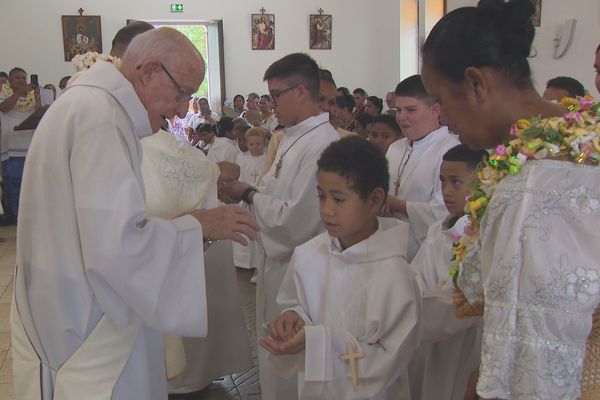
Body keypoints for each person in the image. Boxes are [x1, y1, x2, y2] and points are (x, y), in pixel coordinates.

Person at [11, 27, 259, 400]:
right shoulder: (101, 119)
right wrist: (200, 226)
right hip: (93, 333)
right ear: (148, 71)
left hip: (66, 312)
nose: (181, 109)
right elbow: (119, 248)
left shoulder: (85, 104)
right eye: (183, 93)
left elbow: (98, 230)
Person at [421, 0, 600, 399]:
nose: (443, 119)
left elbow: (533, 361)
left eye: (442, 101)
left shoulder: (529, 190)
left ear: (475, 83)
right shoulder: (583, 137)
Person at [259, 136, 420, 399]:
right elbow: (295, 301)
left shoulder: (396, 276)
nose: (326, 210)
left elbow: (392, 360)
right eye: (321, 197)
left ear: (375, 200)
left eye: (339, 199)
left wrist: (317, 343)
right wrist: (292, 316)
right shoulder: (308, 255)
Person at [221, 52, 340, 400]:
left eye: (275, 96)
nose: (271, 105)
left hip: (300, 268)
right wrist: (247, 198)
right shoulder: (291, 136)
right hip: (278, 262)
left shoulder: (321, 144)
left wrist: (249, 194)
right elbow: (275, 194)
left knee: (293, 363)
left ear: (301, 92)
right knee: (275, 355)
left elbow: (297, 220)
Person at [409, 144, 487, 400]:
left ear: (482, 181)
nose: (446, 191)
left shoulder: (484, 234)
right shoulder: (436, 231)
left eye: (456, 182)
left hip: (467, 340)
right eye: (442, 181)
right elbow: (415, 278)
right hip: (431, 339)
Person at [385, 74, 459, 262]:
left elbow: (444, 213)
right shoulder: (395, 148)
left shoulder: (450, 150)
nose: (401, 117)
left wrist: (397, 205)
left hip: (425, 254)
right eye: (399, 110)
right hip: (387, 246)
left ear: (435, 110)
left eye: (411, 110)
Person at [0, 67, 41, 222]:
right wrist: (19, 92)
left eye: (24, 77)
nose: (22, 80)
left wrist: (37, 99)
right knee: (15, 184)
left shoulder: (31, 95)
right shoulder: (3, 94)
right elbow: (4, 108)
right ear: (10, 81)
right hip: (12, 149)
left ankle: (32, 217)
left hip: (30, 147)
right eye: (18, 78)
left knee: (32, 184)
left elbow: (39, 113)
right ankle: (17, 217)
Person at [233, 127, 268, 272]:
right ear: (247, 144)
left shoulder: (267, 159)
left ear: (265, 144)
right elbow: (239, 177)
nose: (255, 147)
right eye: (251, 144)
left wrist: (255, 191)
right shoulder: (241, 158)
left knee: (258, 232)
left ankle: (257, 266)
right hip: (244, 198)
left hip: (259, 197)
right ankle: (242, 261)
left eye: (258, 144)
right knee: (243, 230)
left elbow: (267, 179)